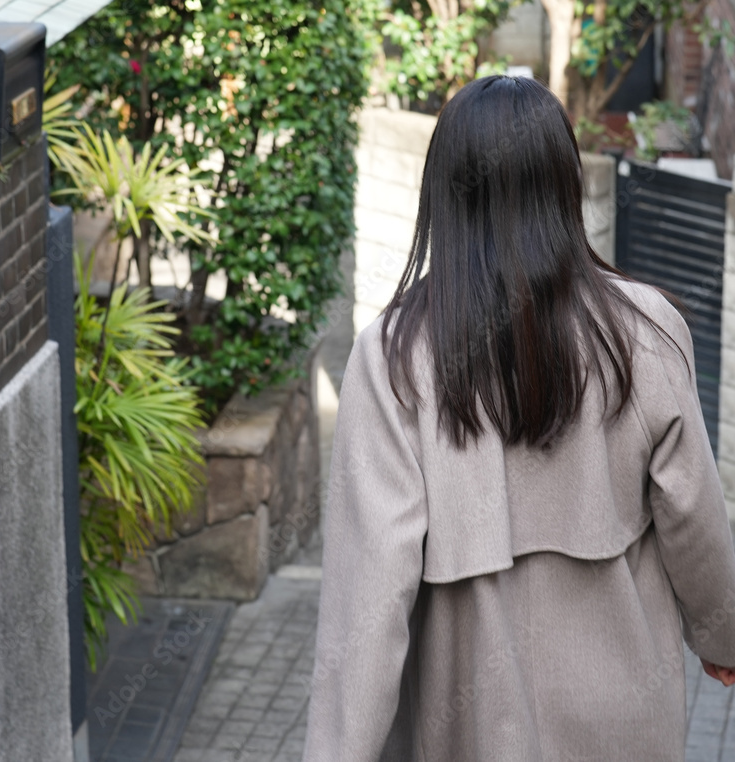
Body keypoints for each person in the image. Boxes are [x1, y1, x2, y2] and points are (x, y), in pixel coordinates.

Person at [302, 75, 735, 761]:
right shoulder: (647, 330)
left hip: (472, 722)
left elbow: (369, 595)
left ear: (443, 193)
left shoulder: (393, 357)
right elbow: (695, 518)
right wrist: (722, 638)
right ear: (564, 183)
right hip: (623, 715)